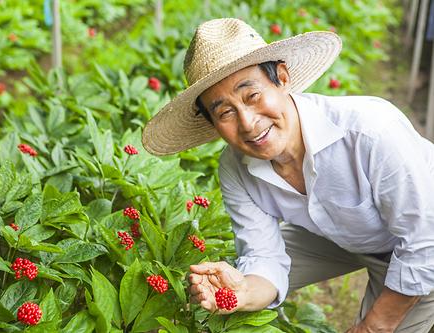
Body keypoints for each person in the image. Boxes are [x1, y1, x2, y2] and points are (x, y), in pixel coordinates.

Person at [142, 18, 434, 333]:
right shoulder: (235, 168)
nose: (248, 123)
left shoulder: (370, 132)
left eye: (252, 96)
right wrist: (242, 292)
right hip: (338, 235)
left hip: (422, 239)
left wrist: (374, 325)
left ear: (282, 78)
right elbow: (262, 256)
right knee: (230, 279)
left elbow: (423, 242)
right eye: (225, 112)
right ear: (212, 123)